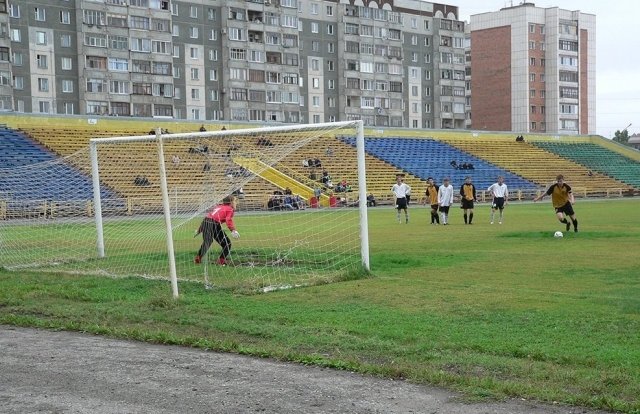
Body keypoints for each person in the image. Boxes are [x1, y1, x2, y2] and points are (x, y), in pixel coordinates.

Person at [194, 195, 240, 266]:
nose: (236, 203)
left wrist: (199, 230)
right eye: (235, 201)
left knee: (207, 242)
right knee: (227, 244)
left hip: (206, 222)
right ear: (230, 202)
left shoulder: (218, 207)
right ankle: (221, 261)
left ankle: (198, 257)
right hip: (214, 224)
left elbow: (208, 217)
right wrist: (233, 230)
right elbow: (228, 220)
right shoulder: (229, 209)